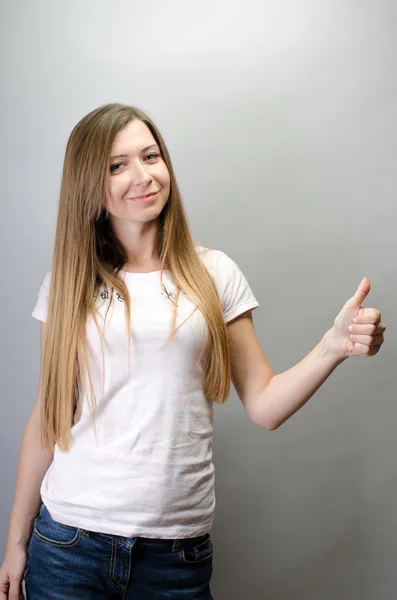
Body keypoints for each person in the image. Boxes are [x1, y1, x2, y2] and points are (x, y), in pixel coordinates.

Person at [0, 103, 386, 600]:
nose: (144, 176)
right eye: (118, 165)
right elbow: (46, 417)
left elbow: (265, 405)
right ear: (89, 184)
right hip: (70, 543)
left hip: (175, 556)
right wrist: (15, 543)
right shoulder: (69, 284)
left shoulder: (214, 273)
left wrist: (332, 347)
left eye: (151, 156)